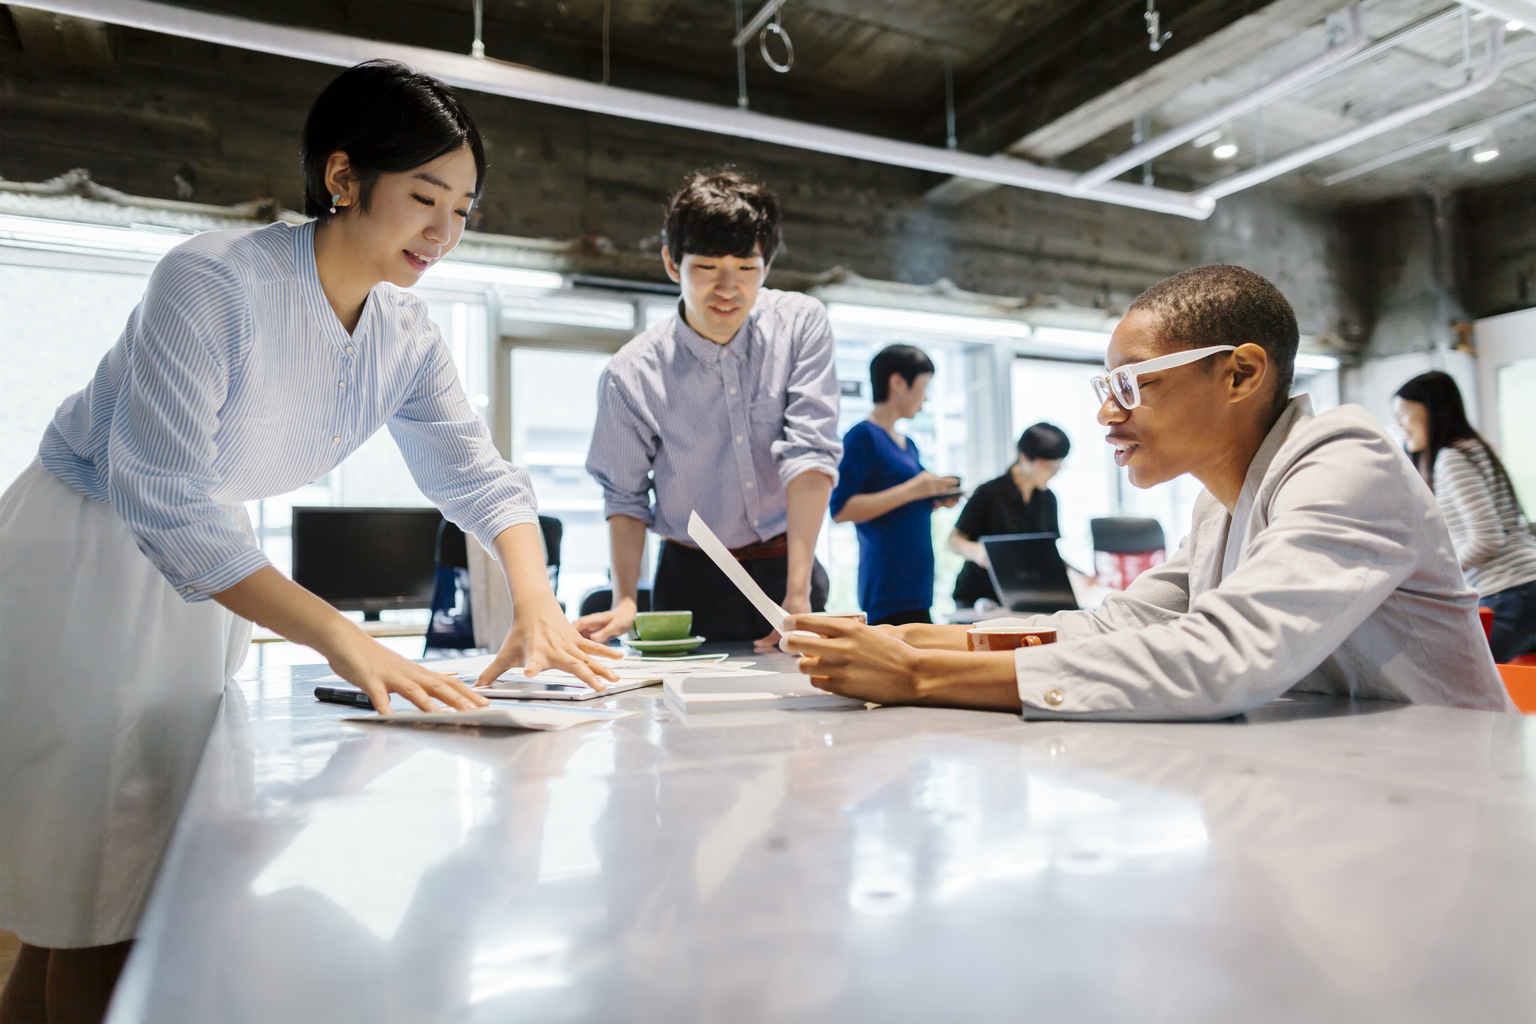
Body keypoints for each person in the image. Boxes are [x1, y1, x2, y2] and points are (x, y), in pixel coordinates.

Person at [0, 61, 618, 1024]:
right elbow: (162, 492)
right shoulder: (213, 281)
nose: (444, 232)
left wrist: (538, 604)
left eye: (464, 208)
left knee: (115, 882)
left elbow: (478, 475)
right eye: (424, 198)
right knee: (94, 892)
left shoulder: (407, 333)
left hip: (203, 574)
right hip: (86, 548)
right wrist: (342, 634)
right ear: (341, 179)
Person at [780, 265, 1513, 720]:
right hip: (1346, 782)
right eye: (1105, 388)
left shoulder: (1345, 462)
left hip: (1450, 791)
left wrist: (919, 672)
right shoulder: (1217, 503)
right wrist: (926, 635)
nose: (1106, 413)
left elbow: (1223, 656)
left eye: (1129, 385)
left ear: (1240, 374)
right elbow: (1120, 625)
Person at [580, 170, 841, 647]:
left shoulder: (801, 324)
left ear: (768, 265)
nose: (728, 289)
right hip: (692, 574)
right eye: (706, 269)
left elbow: (811, 454)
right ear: (671, 263)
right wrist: (624, 600)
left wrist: (797, 594)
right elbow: (625, 496)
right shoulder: (632, 373)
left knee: (802, 711)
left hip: (791, 566)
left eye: (746, 269)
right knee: (686, 711)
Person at [1394, 371, 1536, 662]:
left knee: (1460, 679)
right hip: (1525, 586)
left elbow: (1487, 539)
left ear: (1430, 411)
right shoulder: (1475, 449)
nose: (1400, 425)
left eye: (1405, 414)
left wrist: (1437, 572)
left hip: (1508, 591)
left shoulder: (1451, 459)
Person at [829, 344, 960, 627]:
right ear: (898, 383)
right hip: (886, 589)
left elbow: (903, 503)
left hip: (919, 588)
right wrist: (914, 490)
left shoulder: (909, 445)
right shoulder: (862, 436)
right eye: (923, 388)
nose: (925, 400)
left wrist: (933, 499)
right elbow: (841, 509)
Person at [948, 422, 1070, 609]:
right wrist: (978, 551)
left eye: (1058, 466)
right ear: (1024, 457)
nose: (1054, 474)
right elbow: (953, 541)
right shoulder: (988, 493)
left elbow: (1046, 551)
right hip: (978, 596)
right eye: (1049, 467)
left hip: (1023, 596)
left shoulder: (1048, 499)